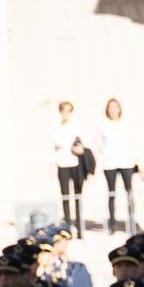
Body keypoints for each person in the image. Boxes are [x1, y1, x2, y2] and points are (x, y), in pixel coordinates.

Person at [98, 98, 137, 233]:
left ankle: (131, 221)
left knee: (129, 192)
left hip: (126, 162)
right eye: (110, 107)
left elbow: (132, 143)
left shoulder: (126, 124)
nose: (113, 110)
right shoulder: (103, 125)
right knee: (112, 193)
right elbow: (99, 144)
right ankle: (112, 223)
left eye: (115, 107)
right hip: (110, 163)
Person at [53, 101, 88, 237]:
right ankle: (67, 229)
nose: (66, 113)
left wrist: (80, 149)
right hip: (62, 164)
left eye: (68, 110)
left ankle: (79, 228)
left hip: (76, 163)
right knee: (66, 197)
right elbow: (54, 146)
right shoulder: (56, 127)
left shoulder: (77, 126)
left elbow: (84, 143)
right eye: (63, 110)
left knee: (78, 196)